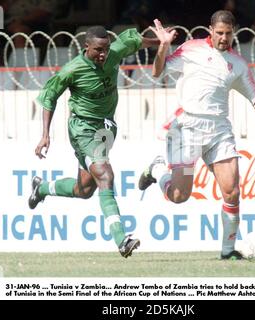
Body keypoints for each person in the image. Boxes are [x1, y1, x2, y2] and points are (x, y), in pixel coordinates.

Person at [138, 12, 255, 260]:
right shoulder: (191, 49)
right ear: (210, 30)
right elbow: (157, 71)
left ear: (234, 32)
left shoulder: (237, 64)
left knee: (232, 191)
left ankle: (228, 251)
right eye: (219, 33)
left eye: (228, 33)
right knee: (179, 196)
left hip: (219, 131)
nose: (224, 37)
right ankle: (156, 170)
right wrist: (164, 45)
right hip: (187, 129)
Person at [29, 26, 166, 258]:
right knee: (105, 175)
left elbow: (135, 41)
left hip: (105, 128)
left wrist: (159, 42)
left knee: (84, 190)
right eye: (98, 50)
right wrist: (45, 134)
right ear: (86, 47)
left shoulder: (114, 51)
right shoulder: (72, 70)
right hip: (82, 128)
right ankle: (122, 240)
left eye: (106, 49)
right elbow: (49, 97)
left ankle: (41, 189)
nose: (103, 55)